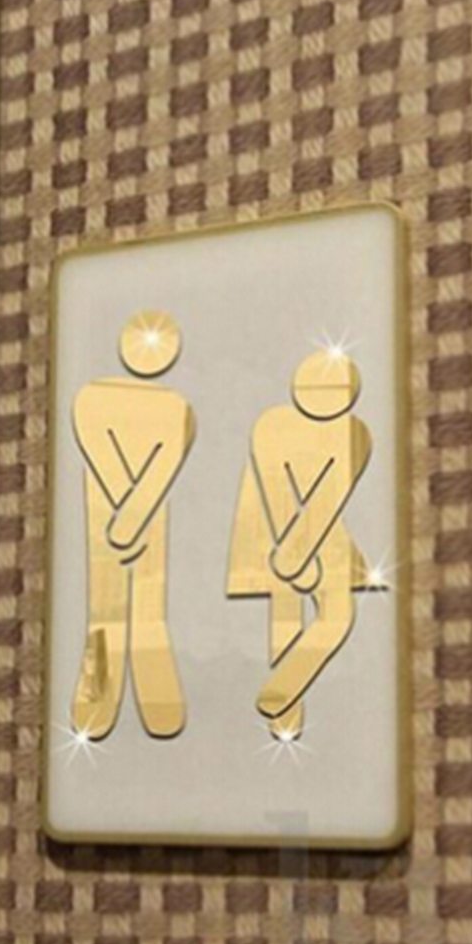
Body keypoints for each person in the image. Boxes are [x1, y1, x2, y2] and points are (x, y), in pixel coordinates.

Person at [226, 350, 380, 741]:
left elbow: (329, 497)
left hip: (321, 533)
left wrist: (301, 550)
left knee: (338, 615)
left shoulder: (355, 433)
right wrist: (291, 555)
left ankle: (283, 690)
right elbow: (275, 490)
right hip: (270, 530)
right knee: (285, 612)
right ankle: (284, 712)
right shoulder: (271, 425)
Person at [70, 311, 195, 740]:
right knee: (106, 607)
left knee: (147, 608)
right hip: (115, 510)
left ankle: (150, 681)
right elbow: (98, 450)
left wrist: (132, 517)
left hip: (138, 511)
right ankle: (99, 692)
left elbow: (166, 461)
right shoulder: (93, 396)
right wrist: (128, 519)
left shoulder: (177, 408)